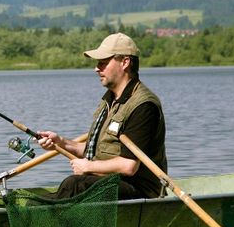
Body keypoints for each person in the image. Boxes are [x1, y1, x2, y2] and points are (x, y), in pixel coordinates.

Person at [37, 32, 167, 200]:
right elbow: (95, 151)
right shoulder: (110, 100)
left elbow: (129, 166)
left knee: (75, 185)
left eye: (103, 62)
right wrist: (61, 143)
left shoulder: (143, 106)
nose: (97, 68)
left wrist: (88, 167)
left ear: (125, 62)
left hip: (139, 190)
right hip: (108, 183)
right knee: (72, 185)